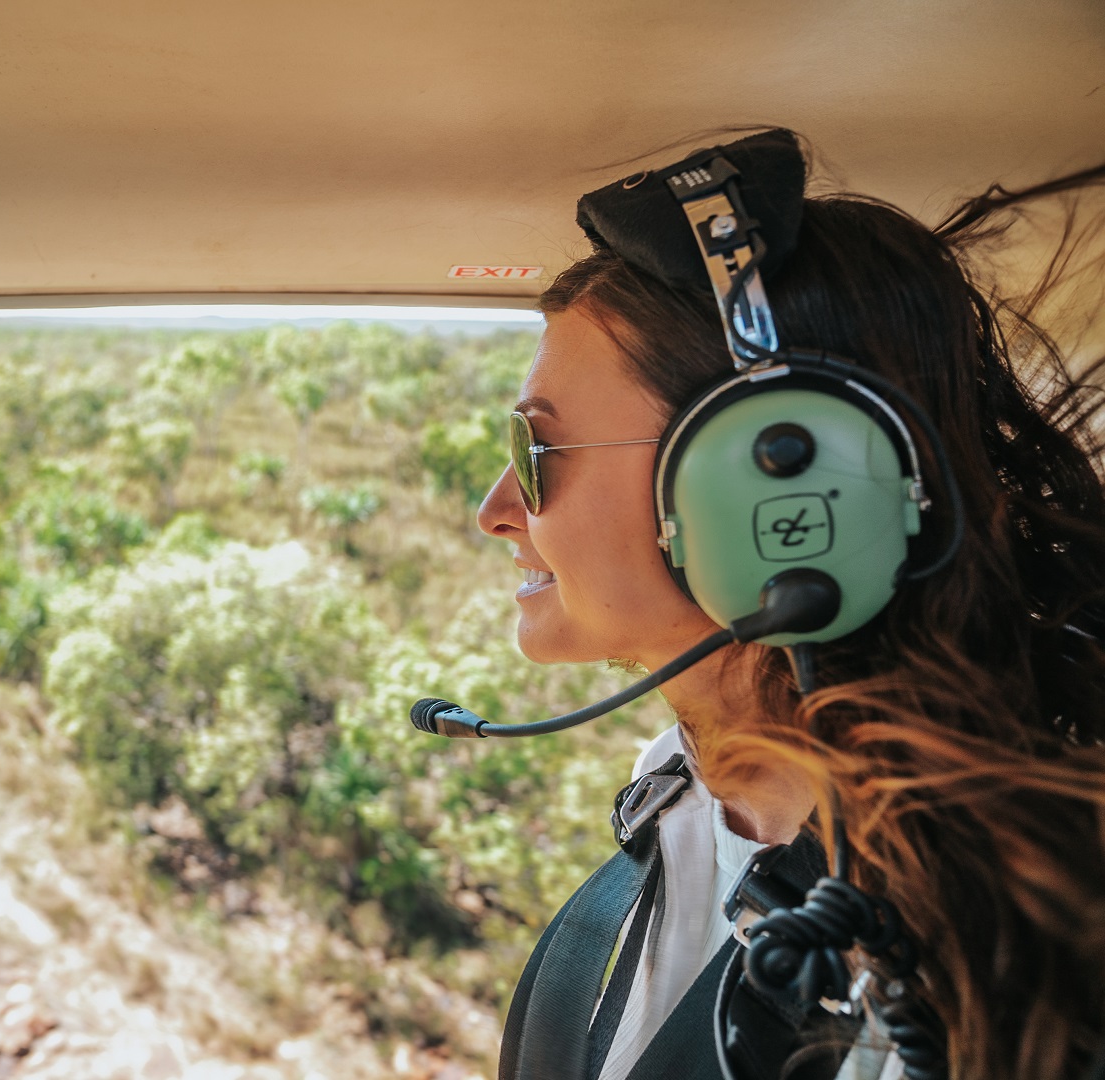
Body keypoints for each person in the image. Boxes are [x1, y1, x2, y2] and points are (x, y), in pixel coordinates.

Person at [473, 131, 1105, 1080]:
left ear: (774, 487)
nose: (495, 511)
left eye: (535, 449)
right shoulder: (679, 789)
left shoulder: (995, 932)